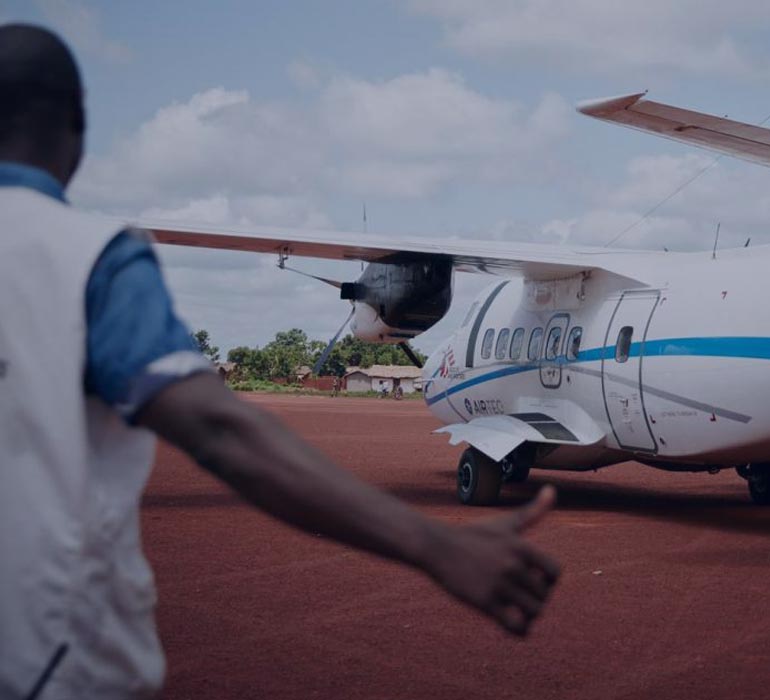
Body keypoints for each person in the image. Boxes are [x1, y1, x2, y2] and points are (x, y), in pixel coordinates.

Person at [0, 24, 560, 700]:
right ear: (77, 127)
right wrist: (435, 545)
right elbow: (219, 431)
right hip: (51, 660)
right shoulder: (87, 256)